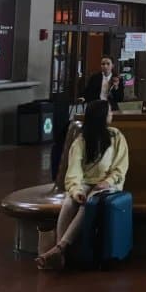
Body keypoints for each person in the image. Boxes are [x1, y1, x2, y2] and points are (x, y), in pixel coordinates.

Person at [35, 99, 129, 270]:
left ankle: (59, 249)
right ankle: (60, 254)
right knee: (70, 202)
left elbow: (120, 168)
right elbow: (74, 171)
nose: (112, 115)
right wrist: (76, 190)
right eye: (109, 112)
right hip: (86, 183)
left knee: (89, 204)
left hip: (108, 185)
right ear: (101, 117)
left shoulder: (116, 137)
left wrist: (107, 181)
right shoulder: (81, 141)